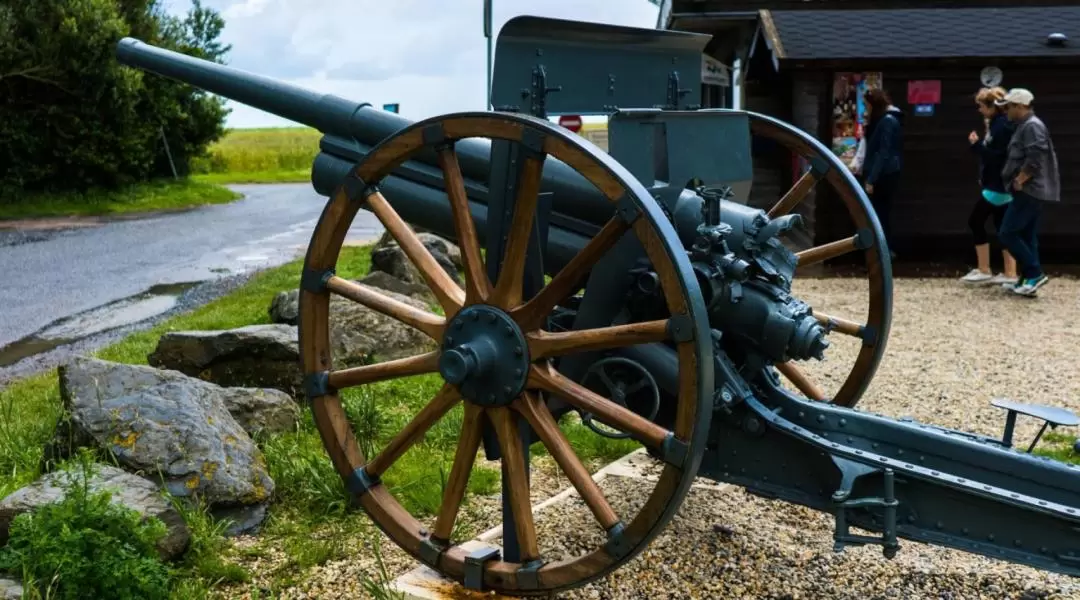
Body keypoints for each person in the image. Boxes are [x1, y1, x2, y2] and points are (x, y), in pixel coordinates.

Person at [995, 87, 1059, 297]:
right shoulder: (1024, 126)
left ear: (1021, 106)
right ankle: (1028, 279)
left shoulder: (1032, 126)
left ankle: (1034, 273)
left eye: (1009, 107)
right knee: (1026, 235)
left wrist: (1020, 180)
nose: (1006, 111)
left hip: (1030, 189)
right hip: (1030, 190)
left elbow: (1036, 157)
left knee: (1008, 232)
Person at [960, 86, 1018, 285]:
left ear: (992, 106)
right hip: (1001, 184)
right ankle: (1010, 273)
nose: (979, 110)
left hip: (996, 186)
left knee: (975, 221)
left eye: (981, 106)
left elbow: (996, 157)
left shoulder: (1000, 127)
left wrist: (976, 146)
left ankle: (984, 268)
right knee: (1003, 227)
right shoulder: (1002, 124)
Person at [861, 88, 904, 257]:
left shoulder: (887, 121)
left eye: (867, 105)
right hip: (888, 173)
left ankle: (883, 252)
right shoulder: (888, 120)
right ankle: (884, 251)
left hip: (884, 175)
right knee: (881, 214)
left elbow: (883, 152)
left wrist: (872, 178)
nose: (866, 109)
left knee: (879, 214)